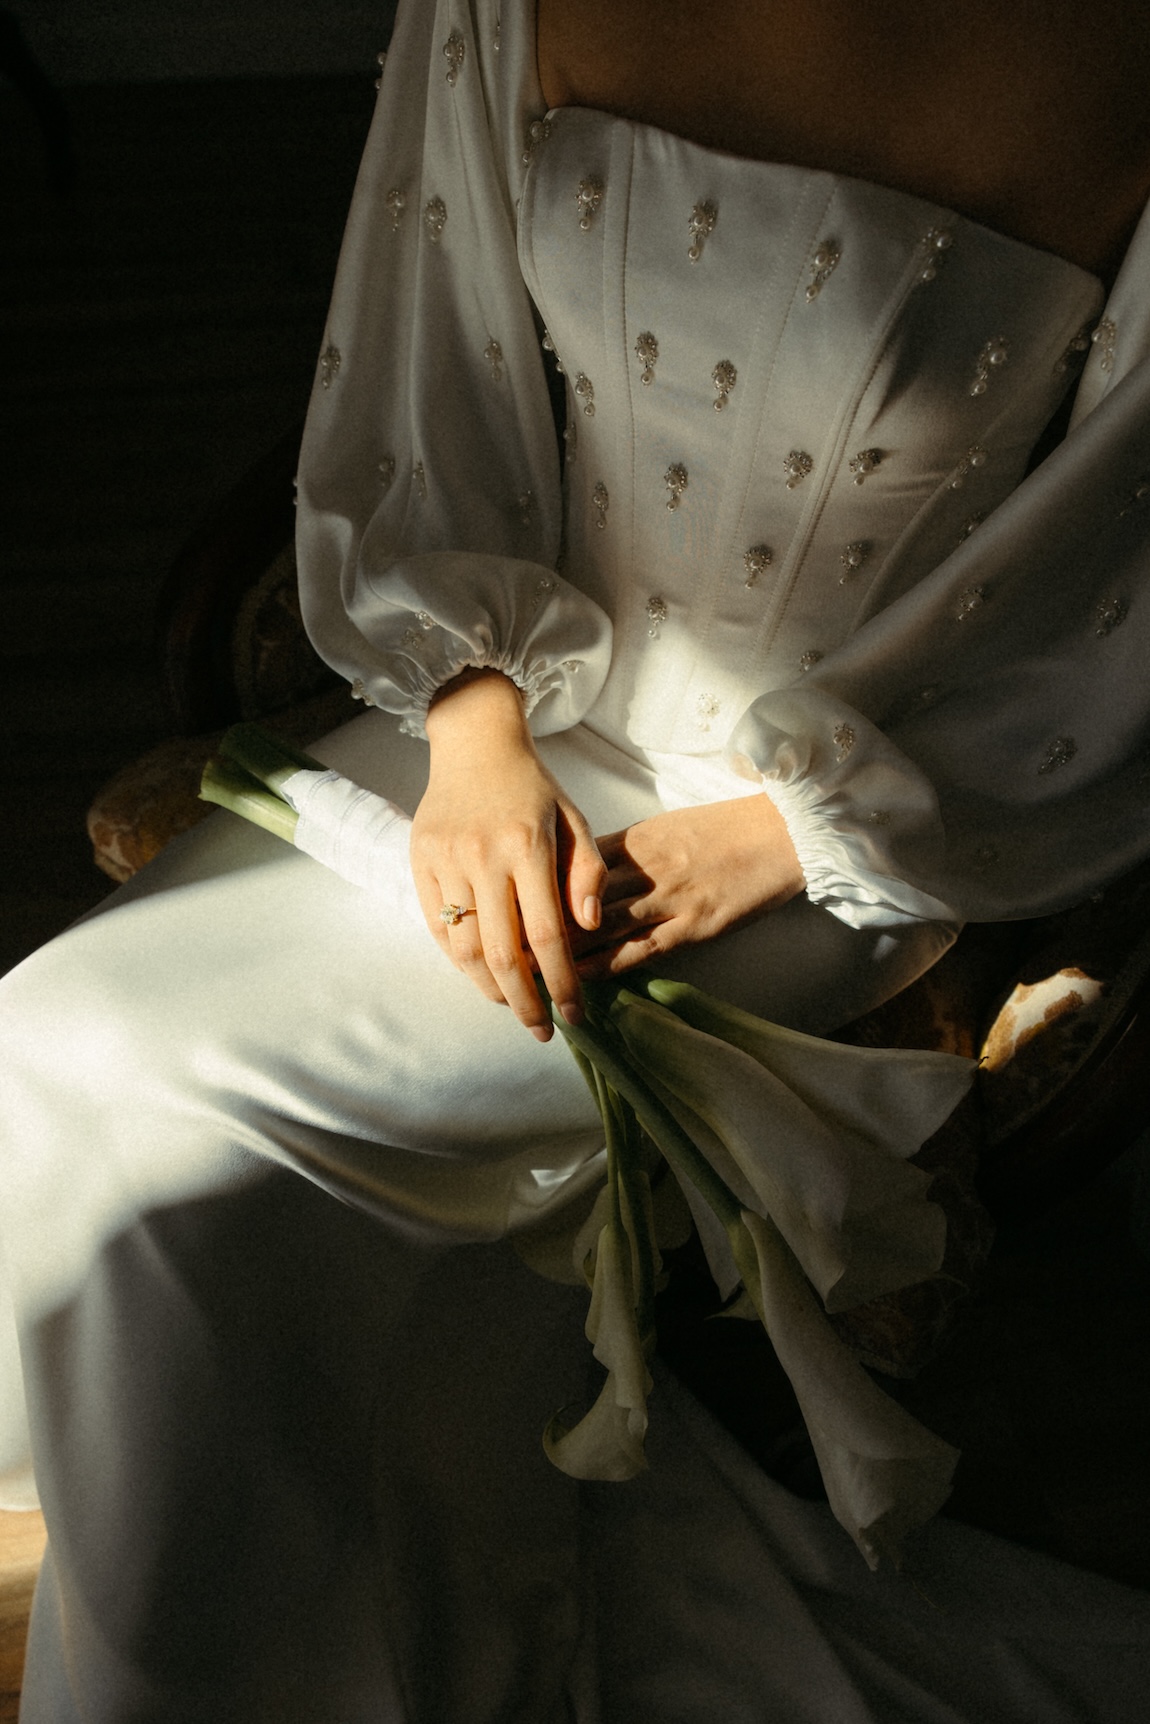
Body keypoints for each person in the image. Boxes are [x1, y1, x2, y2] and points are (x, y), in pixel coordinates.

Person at [3, 0, 1150, 1716]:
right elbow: (428, 375)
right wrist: (469, 732)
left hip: (856, 802)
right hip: (513, 719)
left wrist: (779, 836)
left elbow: (1110, 570)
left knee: (208, 1169)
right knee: (57, 1025)